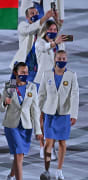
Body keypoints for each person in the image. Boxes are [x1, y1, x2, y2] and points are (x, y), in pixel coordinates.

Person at [39, 50, 79, 180]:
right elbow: (41, 95)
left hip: (64, 114)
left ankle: (59, 171)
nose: (61, 61)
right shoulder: (47, 75)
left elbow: (75, 95)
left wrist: (74, 114)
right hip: (50, 114)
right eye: (59, 58)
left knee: (62, 143)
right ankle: (46, 170)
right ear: (54, 59)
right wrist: (38, 112)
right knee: (48, 143)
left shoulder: (71, 75)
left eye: (64, 59)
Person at [0, 62, 42, 180]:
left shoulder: (31, 87)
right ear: (15, 73)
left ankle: (11, 176)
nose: (25, 74)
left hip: (26, 126)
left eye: (26, 72)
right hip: (12, 125)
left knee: (20, 155)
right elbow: (1, 108)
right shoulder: (10, 86)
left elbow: (35, 110)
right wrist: (4, 103)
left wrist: (38, 130)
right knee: (18, 154)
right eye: (22, 72)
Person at [35, 20, 66, 159]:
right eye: (51, 29)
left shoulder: (60, 43)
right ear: (45, 30)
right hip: (41, 82)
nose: (53, 31)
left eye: (55, 29)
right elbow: (45, 48)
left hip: (56, 82)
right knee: (41, 115)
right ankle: (42, 146)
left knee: (52, 114)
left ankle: (50, 145)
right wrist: (55, 42)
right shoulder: (39, 43)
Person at [10, 7, 54, 82]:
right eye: (32, 13)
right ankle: (10, 92)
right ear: (27, 17)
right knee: (12, 86)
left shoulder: (42, 28)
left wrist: (55, 18)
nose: (35, 15)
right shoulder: (22, 25)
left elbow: (53, 31)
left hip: (35, 65)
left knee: (31, 88)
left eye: (36, 13)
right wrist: (45, 17)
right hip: (23, 61)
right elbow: (30, 29)